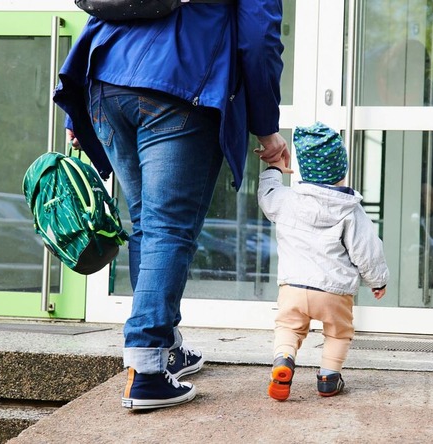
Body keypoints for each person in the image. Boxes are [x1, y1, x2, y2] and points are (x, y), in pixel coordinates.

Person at [53, 2, 290, 410]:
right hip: (179, 85)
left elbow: (111, 9)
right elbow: (258, 40)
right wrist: (267, 128)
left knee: (149, 224)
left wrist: (78, 109)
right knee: (167, 229)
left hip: (106, 80)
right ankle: (146, 370)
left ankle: (164, 348)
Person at [257, 122, 389, 401]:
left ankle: (283, 359)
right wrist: (377, 280)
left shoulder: (288, 201)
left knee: (288, 328)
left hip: (293, 287)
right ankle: (328, 378)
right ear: (342, 169)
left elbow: (267, 197)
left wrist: (274, 171)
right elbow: (366, 250)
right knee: (339, 333)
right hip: (334, 291)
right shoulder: (350, 210)